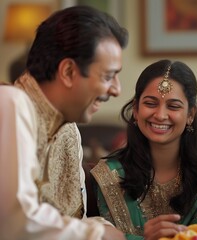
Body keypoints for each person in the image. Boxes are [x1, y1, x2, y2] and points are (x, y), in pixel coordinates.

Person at [0, 5, 129, 240]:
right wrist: (98, 234)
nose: (117, 89)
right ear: (68, 71)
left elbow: (67, 218)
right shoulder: (10, 102)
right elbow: (16, 222)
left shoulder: (66, 130)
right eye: (108, 76)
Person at [90, 59, 197, 240]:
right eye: (150, 103)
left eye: (173, 106)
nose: (160, 115)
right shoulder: (109, 174)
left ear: (190, 115)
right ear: (136, 109)